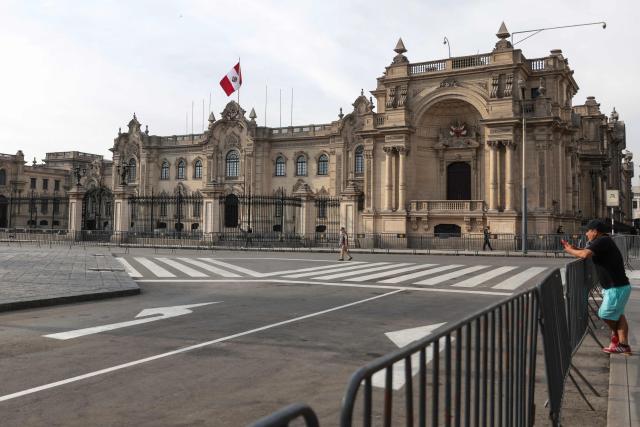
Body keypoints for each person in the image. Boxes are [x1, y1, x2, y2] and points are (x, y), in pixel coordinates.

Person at [561, 219, 632, 354]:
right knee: (618, 315)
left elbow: (585, 254)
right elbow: (587, 251)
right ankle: (623, 345)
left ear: (595, 231)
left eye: (588, 231)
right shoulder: (603, 241)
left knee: (605, 313)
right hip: (616, 286)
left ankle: (618, 338)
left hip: (616, 287)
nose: (586, 233)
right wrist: (574, 248)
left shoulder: (602, 241)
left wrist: (570, 251)